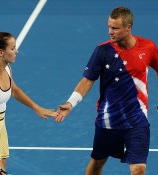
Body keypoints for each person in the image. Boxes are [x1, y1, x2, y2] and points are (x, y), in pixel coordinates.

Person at [55, 6, 158, 175]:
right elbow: (88, 80)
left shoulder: (148, 47)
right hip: (108, 120)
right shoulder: (103, 51)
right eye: (109, 27)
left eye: (115, 28)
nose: (110, 32)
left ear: (128, 27)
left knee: (139, 168)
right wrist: (70, 103)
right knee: (97, 163)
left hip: (137, 120)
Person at [0, 32, 58, 175]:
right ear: (0, 52)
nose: (17, 51)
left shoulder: (7, 69)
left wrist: (37, 108)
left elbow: (14, 90)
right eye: (12, 48)